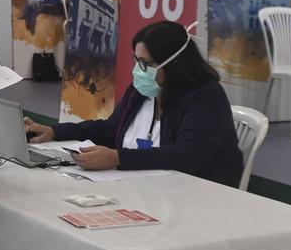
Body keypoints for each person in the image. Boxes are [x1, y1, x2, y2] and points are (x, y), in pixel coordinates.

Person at [25, 20, 244, 187]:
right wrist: (54, 131)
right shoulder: (142, 91)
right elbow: (109, 129)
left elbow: (187, 155)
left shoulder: (206, 97)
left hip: (195, 194)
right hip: (142, 187)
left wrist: (117, 158)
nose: (139, 70)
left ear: (175, 64)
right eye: (136, 61)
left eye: (146, 63)